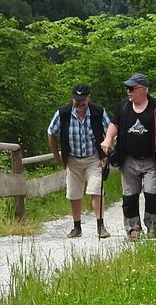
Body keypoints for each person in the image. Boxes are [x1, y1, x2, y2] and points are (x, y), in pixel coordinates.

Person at [100, 73, 156, 241]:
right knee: (129, 196)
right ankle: (133, 229)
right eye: (128, 88)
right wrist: (108, 139)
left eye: (131, 88)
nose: (128, 91)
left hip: (150, 159)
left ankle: (152, 227)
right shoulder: (124, 107)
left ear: (143, 90)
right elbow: (114, 124)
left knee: (152, 193)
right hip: (128, 159)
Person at [47, 83, 111, 238]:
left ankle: (100, 226)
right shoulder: (63, 113)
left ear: (88, 98)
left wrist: (107, 155)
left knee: (96, 191)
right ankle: (77, 227)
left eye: (83, 99)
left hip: (94, 158)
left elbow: (109, 131)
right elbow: (51, 132)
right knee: (74, 194)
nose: (80, 103)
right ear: (72, 98)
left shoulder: (98, 111)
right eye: (77, 99)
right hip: (73, 159)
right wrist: (57, 156)